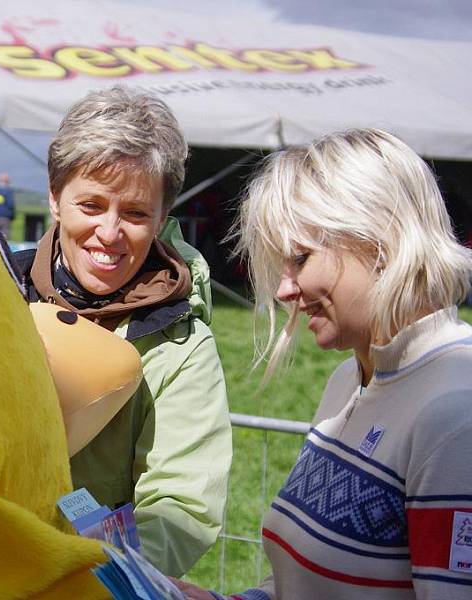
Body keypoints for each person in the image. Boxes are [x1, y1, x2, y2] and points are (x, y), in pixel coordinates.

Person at [177, 129, 472, 599]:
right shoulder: (351, 378)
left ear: (379, 239)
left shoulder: (455, 417)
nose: (284, 290)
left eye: (299, 259)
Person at [14, 86, 232, 577]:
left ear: (160, 219)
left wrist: (88, 581)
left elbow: (181, 508)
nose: (110, 234)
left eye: (135, 213)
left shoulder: (181, 344)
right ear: (54, 199)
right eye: (91, 205)